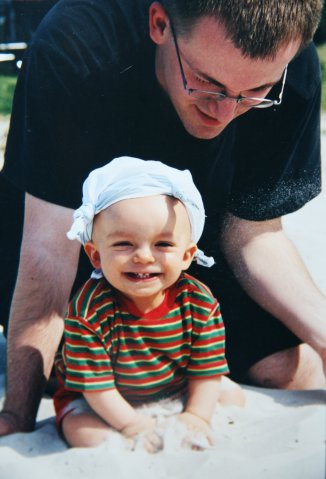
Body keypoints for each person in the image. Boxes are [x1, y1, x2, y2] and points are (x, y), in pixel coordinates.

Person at [0, 0, 325, 436]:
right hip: (79, 250)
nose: (225, 113)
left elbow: (253, 236)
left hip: (184, 255)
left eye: (255, 92)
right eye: (207, 83)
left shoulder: (292, 68)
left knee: (286, 370)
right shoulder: (77, 42)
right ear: (159, 24)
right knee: (88, 374)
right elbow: (47, 247)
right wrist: (16, 416)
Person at [53, 156, 244, 450]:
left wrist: (197, 415)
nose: (143, 256)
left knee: (232, 397)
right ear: (96, 256)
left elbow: (206, 369)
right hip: (102, 401)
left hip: (172, 390)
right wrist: (132, 425)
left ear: (186, 255)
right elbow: (96, 387)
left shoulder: (199, 303)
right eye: (124, 244)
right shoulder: (88, 312)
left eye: (163, 244)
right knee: (82, 431)